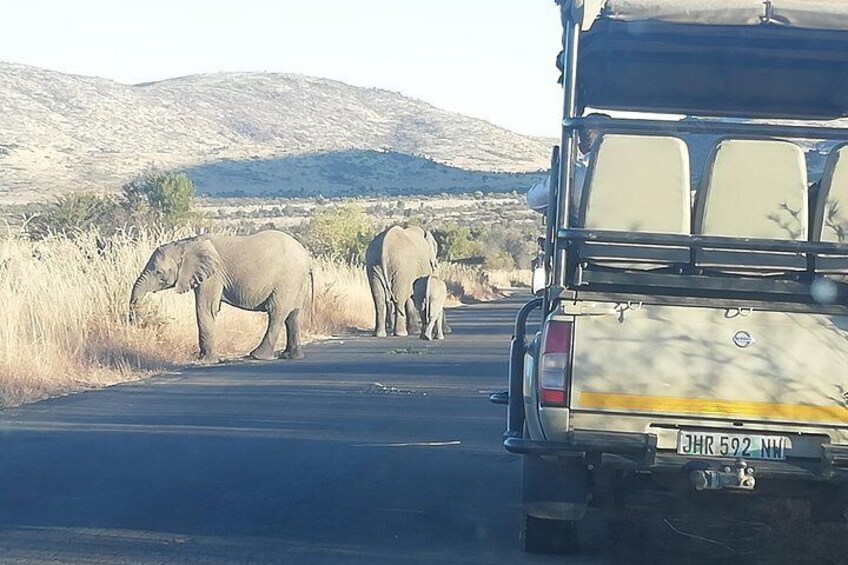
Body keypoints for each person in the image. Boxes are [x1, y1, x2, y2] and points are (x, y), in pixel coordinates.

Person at [526, 113, 610, 219]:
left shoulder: (575, 173)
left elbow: (535, 200)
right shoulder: (630, 172)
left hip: (583, 233)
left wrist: (566, 167)